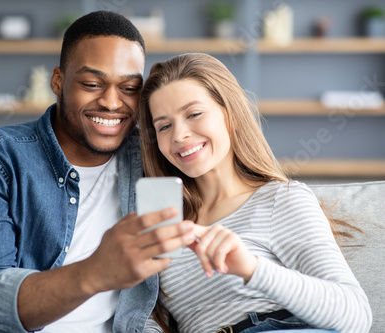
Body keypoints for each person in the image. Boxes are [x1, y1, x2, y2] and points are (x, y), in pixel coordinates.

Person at [0, 11, 196, 333]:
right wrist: (96, 271)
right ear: (58, 81)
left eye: (129, 88)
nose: (111, 102)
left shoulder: (154, 155)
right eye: (92, 84)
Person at [138, 53, 372, 333]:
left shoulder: (280, 200)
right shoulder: (164, 221)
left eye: (194, 114)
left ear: (230, 112)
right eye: (164, 126)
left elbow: (356, 314)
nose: (178, 135)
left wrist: (252, 268)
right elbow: (145, 317)